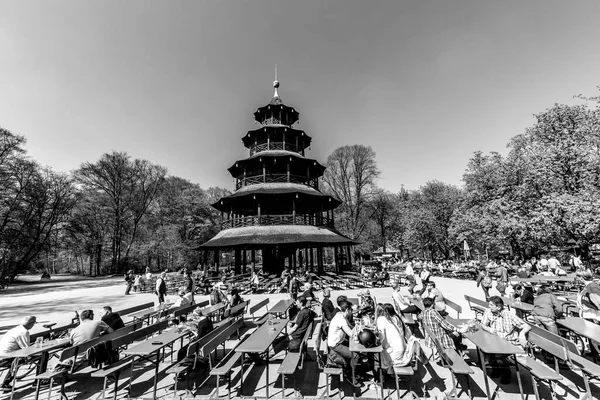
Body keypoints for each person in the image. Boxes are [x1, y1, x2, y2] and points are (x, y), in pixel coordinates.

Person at [480, 296, 531, 384]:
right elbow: (483, 324)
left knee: (499, 355)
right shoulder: (488, 312)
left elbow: (527, 326)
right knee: (484, 349)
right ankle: (496, 369)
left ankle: (506, 373)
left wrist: (522, 334)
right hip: (495, 340)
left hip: (509, 342)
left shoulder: (509, 315)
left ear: (498, 307)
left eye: (491, 305)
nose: (489, 306)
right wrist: (489, 329)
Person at [376, 304, 418, 374]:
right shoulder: (397, 318)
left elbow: (383, 338)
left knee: (375, 355)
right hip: (402, 351)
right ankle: (386, 372)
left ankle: (382, 376)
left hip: (395, 356)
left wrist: (381, 344)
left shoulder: (381, 319)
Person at [327, 300, 360, 387]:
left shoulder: (340, 315)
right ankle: (351, 376)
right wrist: (358, 335)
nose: (351, 312)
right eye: (351, 310)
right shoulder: (340, 319)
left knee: (354, 351)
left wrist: (357, 327)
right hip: (335, 345)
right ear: (347, 310)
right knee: (355, 355)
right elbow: (350, 333)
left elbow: (350, 326)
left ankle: (352, 371)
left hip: (337, 342)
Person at [0, 316, 37, 391]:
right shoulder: (24, 332)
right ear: (30, 323)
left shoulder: (16, 329)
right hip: (7, 358)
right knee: (43, 355)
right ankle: (40, 381)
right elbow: (27, 349)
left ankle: (6, 382)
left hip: (3, 355)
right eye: (34, 323)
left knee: (18, 359)